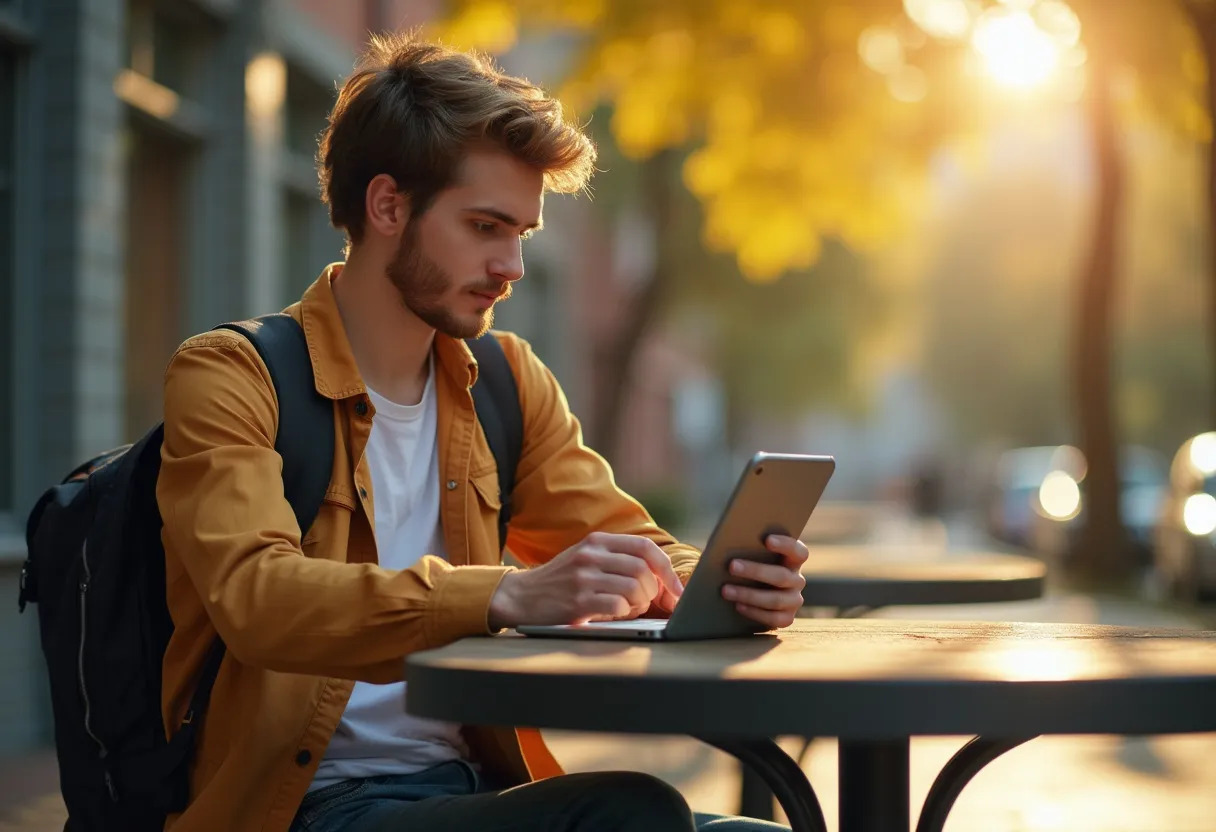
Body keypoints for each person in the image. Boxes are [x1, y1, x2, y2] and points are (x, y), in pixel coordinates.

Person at [156, 33, 809, 832]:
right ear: (388, 205)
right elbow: (258, 599)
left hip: (470, 791)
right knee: (633, 811)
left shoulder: (502, 378)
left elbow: (622, 539)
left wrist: (720, 582)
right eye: (485, 226)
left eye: (522, 235)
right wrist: (505, 590)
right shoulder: (232, 374)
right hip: (302, 809)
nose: (513, 266)